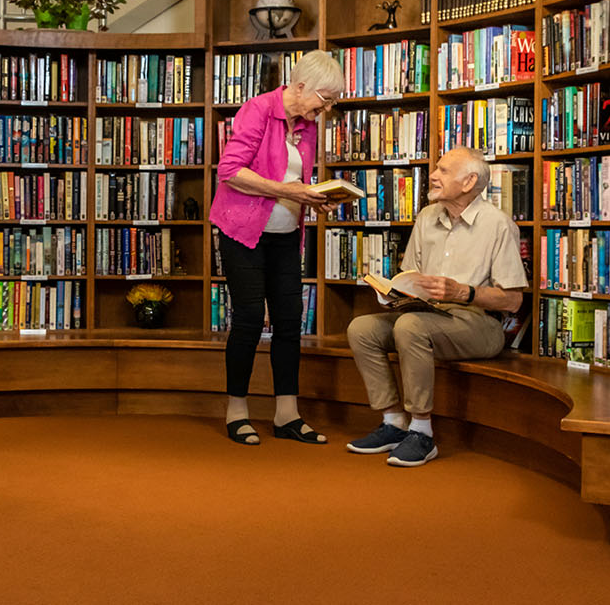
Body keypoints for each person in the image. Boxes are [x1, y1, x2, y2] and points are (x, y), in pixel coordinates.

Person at [345, 146, 528, 466]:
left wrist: (462, 292)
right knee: (362, 328)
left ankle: (422, 431)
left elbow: (513, 300)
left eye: (443, 170)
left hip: (479, 323)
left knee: (410, 326)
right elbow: (410, 276)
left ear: (469, 181)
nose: (432, 175)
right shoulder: (427, 217)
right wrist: (395, 292)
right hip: (422, 314)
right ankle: (393, 423)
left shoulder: (497, 224)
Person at [211, 50, 345, 446]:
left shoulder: (308, 124)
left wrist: (316, 197)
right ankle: (237, 411)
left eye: (333, 100)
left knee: (289, 320)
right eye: (326, 97)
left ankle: (287, 414)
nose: (328, 107)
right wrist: (289, 190)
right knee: (250, 319)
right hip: (243, 231)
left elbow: (298, 179)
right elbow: (230, 171)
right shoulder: (257, 110)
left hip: (287, 233)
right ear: (299, 86)